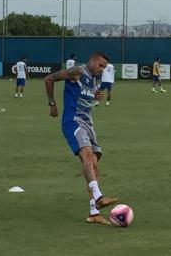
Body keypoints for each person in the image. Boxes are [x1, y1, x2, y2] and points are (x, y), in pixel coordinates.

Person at [44, 52, 118, 225]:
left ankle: (94, 213)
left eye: (104, 68)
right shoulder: (77, 71)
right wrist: (52, 104)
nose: (102, 70)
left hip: (88, 123)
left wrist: (95, 95)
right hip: (73, 121)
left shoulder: (95, 79)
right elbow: (49, 79)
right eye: (100, 65)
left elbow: (87, 93)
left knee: (94, 163)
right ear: (92, 61)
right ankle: (99, 196)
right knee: (86, 154)